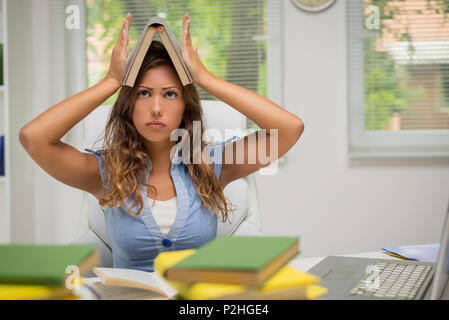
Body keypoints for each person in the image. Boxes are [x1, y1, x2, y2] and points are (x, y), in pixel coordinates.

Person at [19, 13, 304, 272]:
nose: (156, 108)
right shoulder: (104, 171)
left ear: (185, 106)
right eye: (143, 93)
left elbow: (289, 129)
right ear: (129, 104)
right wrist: (112, 80)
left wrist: (204, 78)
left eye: (169, 94)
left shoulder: (213, 164)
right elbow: (34, 138)